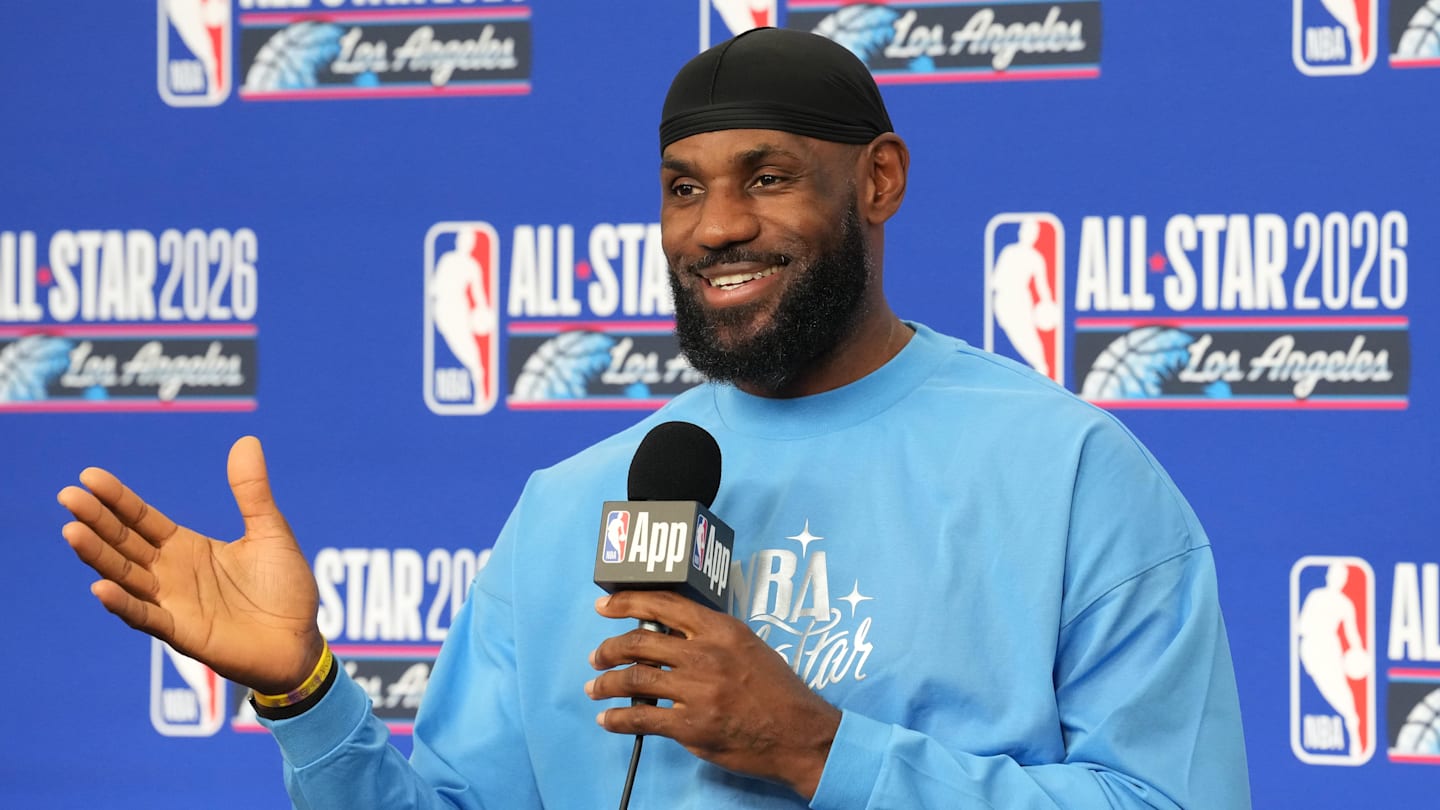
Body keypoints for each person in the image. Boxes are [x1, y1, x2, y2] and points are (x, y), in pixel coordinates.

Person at [58, 28, 1251, 808]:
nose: (716, 227)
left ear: (879, 181)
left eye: (767, 177)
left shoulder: (1069, 471)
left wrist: (818, 748)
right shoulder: (575, 501)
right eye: (685, 189)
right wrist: (308, 697)